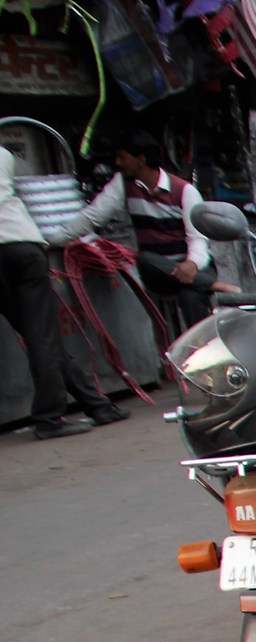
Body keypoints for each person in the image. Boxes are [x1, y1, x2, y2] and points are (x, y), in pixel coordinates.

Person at [1, 144, 124, 438]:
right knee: (42, 336)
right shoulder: (3, 155)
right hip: (20, 246)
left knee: (39, 336)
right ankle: (52, 418)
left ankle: (96, 406)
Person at [56, 130, 212, 331]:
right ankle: (207, 283)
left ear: (141, 159)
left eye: (123, 157)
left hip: (190, 268)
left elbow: (198, 239)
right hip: (156, 271)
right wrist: (54, 240)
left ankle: (201, 347)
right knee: (145, 259)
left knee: (191, 296)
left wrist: (191, 265)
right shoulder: (123, 184)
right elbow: (93, 216)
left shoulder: (185, 191)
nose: (118, 163)